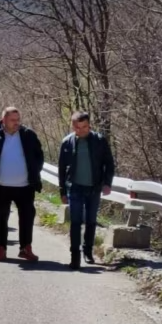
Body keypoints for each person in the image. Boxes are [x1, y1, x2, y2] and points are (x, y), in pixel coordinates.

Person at [0, 107, 44, 262]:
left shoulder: (28, 135)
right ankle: (1, 248)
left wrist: (34, 171)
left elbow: (39, 155)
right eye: (13, 120)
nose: (16, 123)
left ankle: (26, 248)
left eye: (18, 119)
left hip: (25, 186)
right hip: (0, 185)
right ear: (3, 119)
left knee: (27, 217)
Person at [58, 111, 115, 270]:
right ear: (72, 126)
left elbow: (109, 163)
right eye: (77, 127)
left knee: (90, 221)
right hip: (74, 187)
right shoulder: (67, 142)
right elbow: (62, 168)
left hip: (94, 187)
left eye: (84, 127)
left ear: (89, 125)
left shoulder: (99, 140)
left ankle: (88, 251)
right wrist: (62, 191)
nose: (81, 130)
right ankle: (74, 256)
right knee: (75, 222)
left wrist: (107, 183)